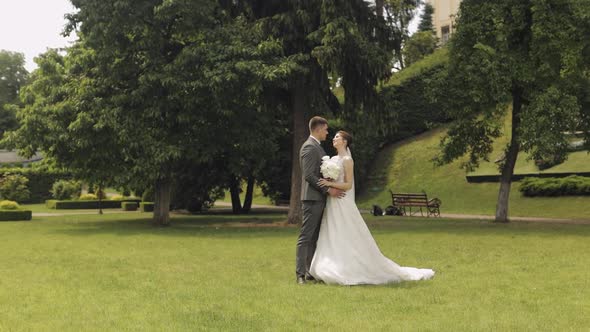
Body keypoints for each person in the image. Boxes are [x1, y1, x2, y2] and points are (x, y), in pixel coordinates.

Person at [309, 130, 435, 285]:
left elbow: (348, 185)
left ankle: (350, 267)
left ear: (345, 142)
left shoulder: (347, 160)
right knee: (331, 230)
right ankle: (327, 265)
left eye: (337, 137)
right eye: (334, 136)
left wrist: (330, 184)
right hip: (332, 202)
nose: (333, 139)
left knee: (346, 231)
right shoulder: (333, 159)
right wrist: (328, 180)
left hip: (342, 201)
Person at [296, 116, 345, 285]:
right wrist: (328, 189)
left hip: (319, 198)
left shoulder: (318, 147)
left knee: (315, 237)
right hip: (311, 198)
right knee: (306, 236)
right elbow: (309, 175)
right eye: (325, 129)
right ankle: (300, 274)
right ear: (317, 129)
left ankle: (310, 271)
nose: (327, 132)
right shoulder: (309, 147)